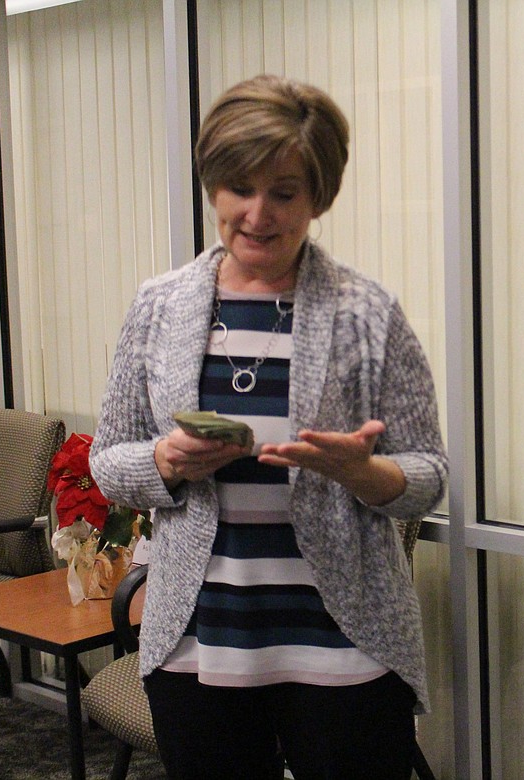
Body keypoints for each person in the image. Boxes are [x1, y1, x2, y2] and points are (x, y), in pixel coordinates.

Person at [89, 74, 447, 780]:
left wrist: (364, 474)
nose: (258, 213)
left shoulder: (367, 313)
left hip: (345, 642)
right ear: (213, 187)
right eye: (239, 188)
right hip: (202, 641)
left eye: (284, 192)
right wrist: (166, 459)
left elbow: (428, 475)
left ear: (318, 197)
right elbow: (108, 460)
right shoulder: (159, 308)